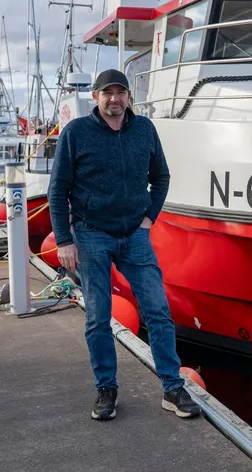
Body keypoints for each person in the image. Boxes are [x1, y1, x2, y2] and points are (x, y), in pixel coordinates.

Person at [47, 68, 200, 421]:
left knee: (158, 311)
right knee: (99, 318)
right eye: (107, 93)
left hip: (135, 236)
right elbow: (58, 190)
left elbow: (160, 177)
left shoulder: (144, 129)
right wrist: (65, 240)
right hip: (91, 235)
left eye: (121, 92)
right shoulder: (77, 133)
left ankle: (172, 387)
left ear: (129, 96)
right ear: (96, 97)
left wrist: (148, 219)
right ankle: (106, 388)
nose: (114, 99)